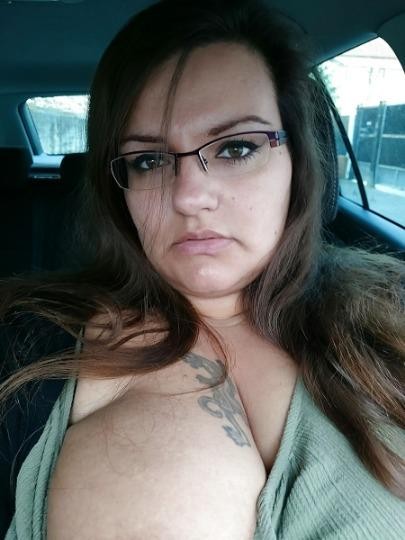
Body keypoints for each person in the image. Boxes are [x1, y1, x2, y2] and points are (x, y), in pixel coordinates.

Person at [1, 0, 404, 538]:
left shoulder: (387, 304)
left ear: (298, 164)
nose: (189, 196)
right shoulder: (26, 338)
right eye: (148, 161)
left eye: (236, 148)